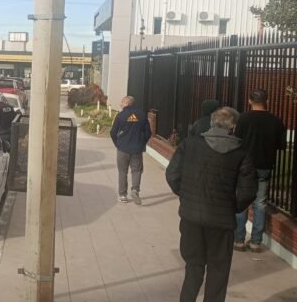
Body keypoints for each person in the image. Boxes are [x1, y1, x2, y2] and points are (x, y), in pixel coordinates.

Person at [166, 107, 257, 302]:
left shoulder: (190, 144)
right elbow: (248, 191)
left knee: (193, 266)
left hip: (191, 218)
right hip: (222, 223)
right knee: (219, 270)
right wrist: (232, 207)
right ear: (233, 127)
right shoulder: (241, 153)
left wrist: (187, 197)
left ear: (212, 122)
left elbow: (172, 175)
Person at [233, 89, 287, 253]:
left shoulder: (243, 119)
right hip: (264, 166)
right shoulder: (276, 121)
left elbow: (236, 141)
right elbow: (281, 145)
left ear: (250, 101)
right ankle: (256, 242)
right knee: (260, 204)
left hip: (244, 166)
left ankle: (239, 240)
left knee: (241, 203)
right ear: (267, 101)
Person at [109, 96, 152, 204]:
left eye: (122, 103)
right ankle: (135, 190)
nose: (120, 105)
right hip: (137, 149)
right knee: (136, 170)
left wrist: (118, 144)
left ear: (126, 103)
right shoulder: (142, 115)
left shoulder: (121, 115)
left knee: (122, 172)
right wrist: (142, 143)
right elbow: (148, 132)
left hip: (122, 148)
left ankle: (123, 195)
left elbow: (113, 132)